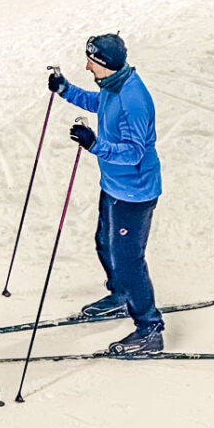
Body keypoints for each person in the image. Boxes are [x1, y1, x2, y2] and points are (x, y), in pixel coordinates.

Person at [48, 33, 164, 355]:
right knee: (104, 242)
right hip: (113, 186)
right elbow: (99, 104)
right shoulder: (113, 87)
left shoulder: (133, 99)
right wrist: (65, 90)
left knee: (129, 260)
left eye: (92, 61)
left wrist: (95, 144)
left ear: (106, 64)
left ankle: (149, 328)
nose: (87, 66)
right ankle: (120, 295)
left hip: (135, 194)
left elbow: (134, 153)